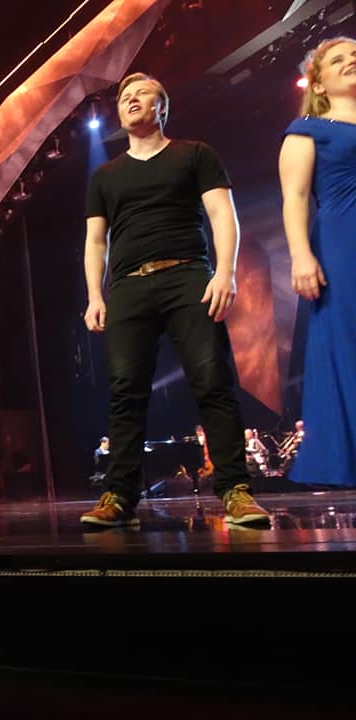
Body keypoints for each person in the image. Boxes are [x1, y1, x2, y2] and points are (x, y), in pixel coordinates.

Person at [80, 73, 270, 527]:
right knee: (126, 390)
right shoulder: (105, 175)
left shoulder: (195, 154)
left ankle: (236, 490)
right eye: (124, 96)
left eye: (141, 93)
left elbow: (223, 214)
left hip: (187, 275)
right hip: (128, 285)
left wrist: (224, 272)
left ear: (162, 107)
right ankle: (119, 496)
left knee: (212, 379)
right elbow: (94, 242)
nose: (130, 99)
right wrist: (93, 295)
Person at [279, 36, 356, 488]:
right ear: (320, 82)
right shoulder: (309, 128)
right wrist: (300, 255)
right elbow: (295, 197)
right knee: (348, 341)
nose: (351, 64)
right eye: (339, 60)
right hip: (343, 244)